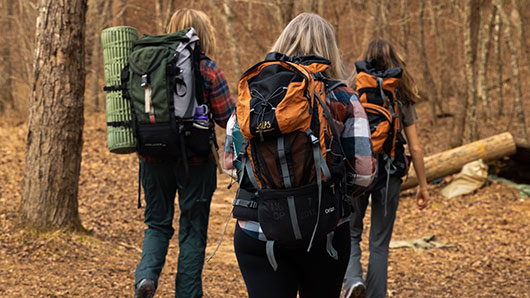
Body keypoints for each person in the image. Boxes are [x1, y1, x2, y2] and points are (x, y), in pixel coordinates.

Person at [224, 13, 375, 298]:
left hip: (259, 231)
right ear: (329, 50)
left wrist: (270, 183)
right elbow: (363, 175)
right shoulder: (344, 98)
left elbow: (231, 164)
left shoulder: (252, 96)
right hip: (324, 230)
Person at [133, 8, 235, 298]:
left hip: (152, 157)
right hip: (196, 161)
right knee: (192, 228)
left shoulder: (148, 66)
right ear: (205, 34)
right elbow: (228, 117)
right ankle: (188, 294)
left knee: (157, 223)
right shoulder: (208, 69)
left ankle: (146, 277)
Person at [341, 39, 430, 298]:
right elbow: (415, 147)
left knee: (351, 231)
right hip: (391, 173)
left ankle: (354, 280)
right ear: (395, 60)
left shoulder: (354, 86)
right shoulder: (401, 92)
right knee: (379, 243)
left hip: (358, 170)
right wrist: (423, 185)